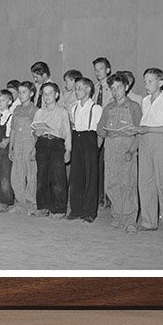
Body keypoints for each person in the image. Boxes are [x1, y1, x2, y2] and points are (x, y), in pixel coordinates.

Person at [96, 73, 142, 232]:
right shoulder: (108, 107)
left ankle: (130, 220)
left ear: (126, 87)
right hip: (110, 149)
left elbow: (139, 133)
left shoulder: (134, 107)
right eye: (112, 89)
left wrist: (131, 150)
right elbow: (100, 130)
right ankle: (118, 215)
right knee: (111, 184)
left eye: (119, 88)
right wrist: (107, 133)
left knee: (127, 184)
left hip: (127, 148)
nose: (115, 92)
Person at [137, 67, 163, 234]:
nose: (146, 84)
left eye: (150, 81)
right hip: (145, 141)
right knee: (145, 182)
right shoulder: (145, 101)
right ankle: (149, 221)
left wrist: (149, 130)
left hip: (159, 140)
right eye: (145, 81)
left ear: (160, 82)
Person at [31, 82, 72, 217]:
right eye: (45, 94)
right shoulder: (39, 112)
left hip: (56, 144)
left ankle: (59, 209)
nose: (47, 96)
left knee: (58, 177)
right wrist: (36, 134)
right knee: (42, 176)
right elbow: (34, 131)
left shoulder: (62, 112)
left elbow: (67, 132)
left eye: (50, 93)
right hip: (42, 144)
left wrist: (68, 150)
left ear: (56, 95)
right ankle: (43, 206)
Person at [67, 77, 103, 222]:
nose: (76, 91)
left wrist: (96, 149)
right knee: (76, 176)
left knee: (90, 177)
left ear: (88, 90)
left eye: (79, 88)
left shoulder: (96, 108)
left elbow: (99, 132)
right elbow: (73, 127)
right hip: (77, 138)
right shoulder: (73, 107)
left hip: (90, 140)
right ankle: (76, 209)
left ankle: (89, 212)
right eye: (75, 88)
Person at [8, 81, 38, 214]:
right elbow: (13, 129)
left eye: (24, 92)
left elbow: (37, 132)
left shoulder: (35, 110)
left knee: (31, 174)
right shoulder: (16, 109)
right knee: (16, 174)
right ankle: (20, 203)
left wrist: (35, 148)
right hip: (18, 144)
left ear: (31, 93)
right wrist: (11, 147)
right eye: (19, 92)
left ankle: (31, 203)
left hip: (29, 144)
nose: (21, 95)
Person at [92, 57, 113, 208]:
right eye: (95, 69)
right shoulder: (94, 88)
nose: (98, 72)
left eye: (100, 69)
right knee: (97, 164)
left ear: (107, 70)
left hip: (110, 130)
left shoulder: (113, 87)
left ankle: (109, 196)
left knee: (109, 165)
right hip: (97, 130)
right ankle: (99, 195)